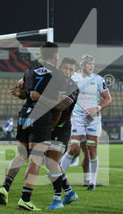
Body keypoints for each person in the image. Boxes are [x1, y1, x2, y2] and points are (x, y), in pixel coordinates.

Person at [0, 42, 67, 211]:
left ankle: (5, 187)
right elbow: (59, 105)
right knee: (36, 159)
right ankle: (25, 198)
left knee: (21, 155)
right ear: (55, 56)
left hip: (24, 115)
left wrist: (22, 94)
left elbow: (24, 91)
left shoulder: (30, 71)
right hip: (41, 117)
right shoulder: (58, 75)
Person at [30, 57, 80, 209]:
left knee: (52, 162)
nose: (68, 72)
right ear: (60, 68)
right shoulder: (52, 82)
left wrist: (40, 97)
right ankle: (70, 193)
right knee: (50, 162)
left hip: (62, 128)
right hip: (48, 127)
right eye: (65, 68)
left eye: (71, 70)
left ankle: (57, 200)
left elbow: (60, 106)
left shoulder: (73, 87)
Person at [60, 54, 111, 190]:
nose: (92, 66)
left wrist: (97, 107)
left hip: (93, 119)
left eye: (93, 64)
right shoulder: (73, 78)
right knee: (73, 148)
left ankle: (92, 182)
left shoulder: (98, 79)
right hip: (76, 118)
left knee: (91, 149)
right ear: (83, 65)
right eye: (89, 64)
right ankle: (59, 177)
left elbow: (107, 98)